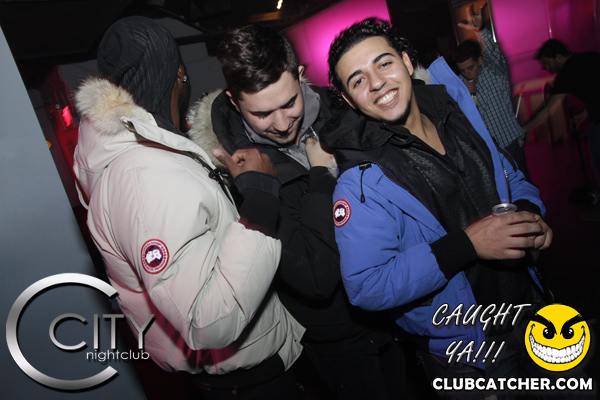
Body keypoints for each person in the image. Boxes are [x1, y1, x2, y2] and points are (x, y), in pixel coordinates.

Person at [73, 16, 305, 399]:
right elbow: (209, 321)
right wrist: (261, 200)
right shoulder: (144, 176)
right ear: (179, 74)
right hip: (244, 383)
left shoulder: (146, 157)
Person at [324, 18, 554, 398]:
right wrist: (466, 245)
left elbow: (509, 175)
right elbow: (367, 285)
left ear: (407, 61)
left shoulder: (456, 112)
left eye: (384, 63)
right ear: (349, 100)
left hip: (533, 309)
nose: (377, 82)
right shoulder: (361, 180)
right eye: (358, 80)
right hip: (472, 352)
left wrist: (530, 213)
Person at [187, 24, 406, 399]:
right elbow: (315, 277)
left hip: (396, 304)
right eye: (262, 113)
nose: (281, 123)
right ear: (235, 101)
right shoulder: (241, 172)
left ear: (300, 75)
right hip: (339, 335)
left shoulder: (343, 109)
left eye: (289, 103)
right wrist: (322, 175)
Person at [522, 39, 600, 221]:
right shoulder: (587, 58)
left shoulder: (567, 73)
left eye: (548, 63)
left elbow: (548, 110)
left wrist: (524, 129)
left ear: (558, 56)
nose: (547, 68)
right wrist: (585, 113)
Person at [454, 3, 529, 178]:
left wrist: (480, 30)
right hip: (487, 149)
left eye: (470, 68)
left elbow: (494, 52)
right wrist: (463, 96)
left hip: (508, 142)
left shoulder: (494, 73)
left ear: (480, 61)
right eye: (462, 70)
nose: (467, 73)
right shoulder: (460, 83)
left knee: (522, 185)